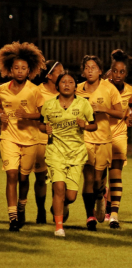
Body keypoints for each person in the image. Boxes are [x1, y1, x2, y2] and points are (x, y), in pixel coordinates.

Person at [39, 72, 96, 237]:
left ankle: (61, 204)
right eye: (63, 82)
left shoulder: (84, 105)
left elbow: (94, 126)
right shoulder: (49, 105)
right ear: (57, 86)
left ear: (75, 86)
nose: (66, 84)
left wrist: (85, 125)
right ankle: (59, 227)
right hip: (55, 152)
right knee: (58, 187)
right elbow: (41, 125)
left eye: (70, 82)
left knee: (70, 196)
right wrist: (45, 129)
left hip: (76, 154)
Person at [0, 41, 45, 231]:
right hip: (8, 137)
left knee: (23, 178)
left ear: (29, 71)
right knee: (11, 175)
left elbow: (44, 115)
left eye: (23, 68)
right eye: (16, 68)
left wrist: (27, 115)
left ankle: (21, 206)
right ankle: (13, 219)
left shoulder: (35, 90)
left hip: (30, 140)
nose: (19, 71)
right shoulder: (1, 89)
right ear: (10, 69)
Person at [76, 55, 123, 231]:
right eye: (87, 67)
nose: (90, 70)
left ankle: (100, 196)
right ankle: (90, 217)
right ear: (83, 71)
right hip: (83, 139)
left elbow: (120, 113)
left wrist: (104, 109)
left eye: (93, 67)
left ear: (100, 71)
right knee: (88, 178)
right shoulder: (78, 89)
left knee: (97, 180)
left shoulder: (109, 88)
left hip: (103, 139)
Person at [103, 49, 132, 229]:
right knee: (98, 178)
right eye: (115, 71)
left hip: (118, 134)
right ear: (110, 71)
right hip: (99, 136)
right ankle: (103, 196)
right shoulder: (102, 87)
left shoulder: (129, 90)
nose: (118, 74)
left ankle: (114, 213)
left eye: (122, 71)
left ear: (126, 73)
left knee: (116, 173)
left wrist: (130, 117)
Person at [35, 60, 64, 224]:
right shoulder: (38, 92)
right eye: (59, 72)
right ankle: (40, 210)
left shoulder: (66, 90)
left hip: (61, 143)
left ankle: (58, 210)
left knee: (58, 178)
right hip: (41, 141)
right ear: (49, 75)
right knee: (40, 179)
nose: (63, 73)